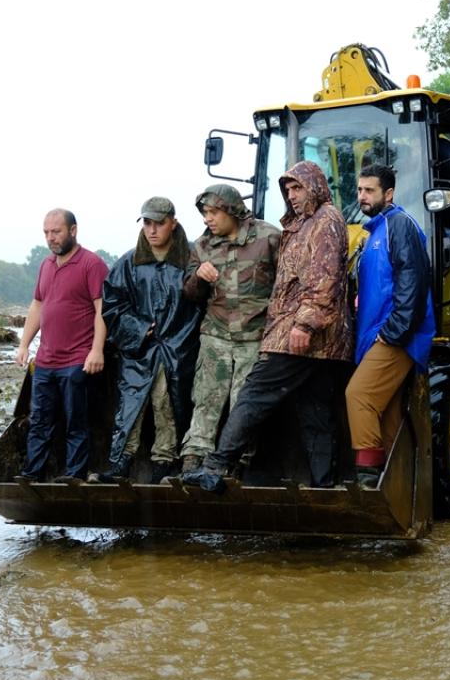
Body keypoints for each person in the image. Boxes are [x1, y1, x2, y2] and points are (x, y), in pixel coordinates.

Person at [183, 161, 352, 492]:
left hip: (299, 333)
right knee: (315, 413)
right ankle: (323, 488)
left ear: (316, 186)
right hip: (311, 337)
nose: (292, 196)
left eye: (298, 188)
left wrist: (304, 325)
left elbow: (324, 279)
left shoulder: (325, 221)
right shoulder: (302, 224)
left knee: (253, 394)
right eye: (288, 190)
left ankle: (216, 467)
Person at [95, 197, 202, 483]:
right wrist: (140, 329)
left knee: (167, 404)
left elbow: (204, 304)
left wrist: (184, 340)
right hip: (139, 350)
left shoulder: (191, 259)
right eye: (147, 223)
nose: (152, 230)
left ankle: (163, 463)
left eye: (159, 223)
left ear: (173, 223)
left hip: (178, 348)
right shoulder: (129, 263)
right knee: (130, 405)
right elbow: (112, 304)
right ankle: (120, 462)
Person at [178, 184, 281, 474]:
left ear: (232, 210)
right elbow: (190, 294)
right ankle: (193, 460)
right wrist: (198, 277)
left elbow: (287, 284)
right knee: (206, 399)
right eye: (204, 213)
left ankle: (237, 464)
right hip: (216, 335)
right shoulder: (202, 246)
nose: (207, 219)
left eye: (213, 212)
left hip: (255, 336)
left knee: (244, 404)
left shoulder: (269, 237)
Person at [344, 164, 436, 488]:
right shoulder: (373, 232)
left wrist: (393, 332)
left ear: (389, 193)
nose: (362, 196)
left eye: (369, 190)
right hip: (377, 335)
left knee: (360, 395)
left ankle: (369, 478)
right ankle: (403, 489)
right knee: (390, 415)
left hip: (397, 336)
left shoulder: (400, 225)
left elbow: (413, 283)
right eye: (359, 190)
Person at [15, 208, 108, 483]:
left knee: (75, 420)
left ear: (73, 231)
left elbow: (102, 309)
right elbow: (37, 305)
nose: (50, 238)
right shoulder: (45, 265)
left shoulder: (92, 264)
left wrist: (97, 350)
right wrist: (24, 345)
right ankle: (32, 474)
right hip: (45, 361)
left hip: (77, 359)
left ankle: (74, 475)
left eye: (56, 231)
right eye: (46, 232)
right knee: (39, 421)